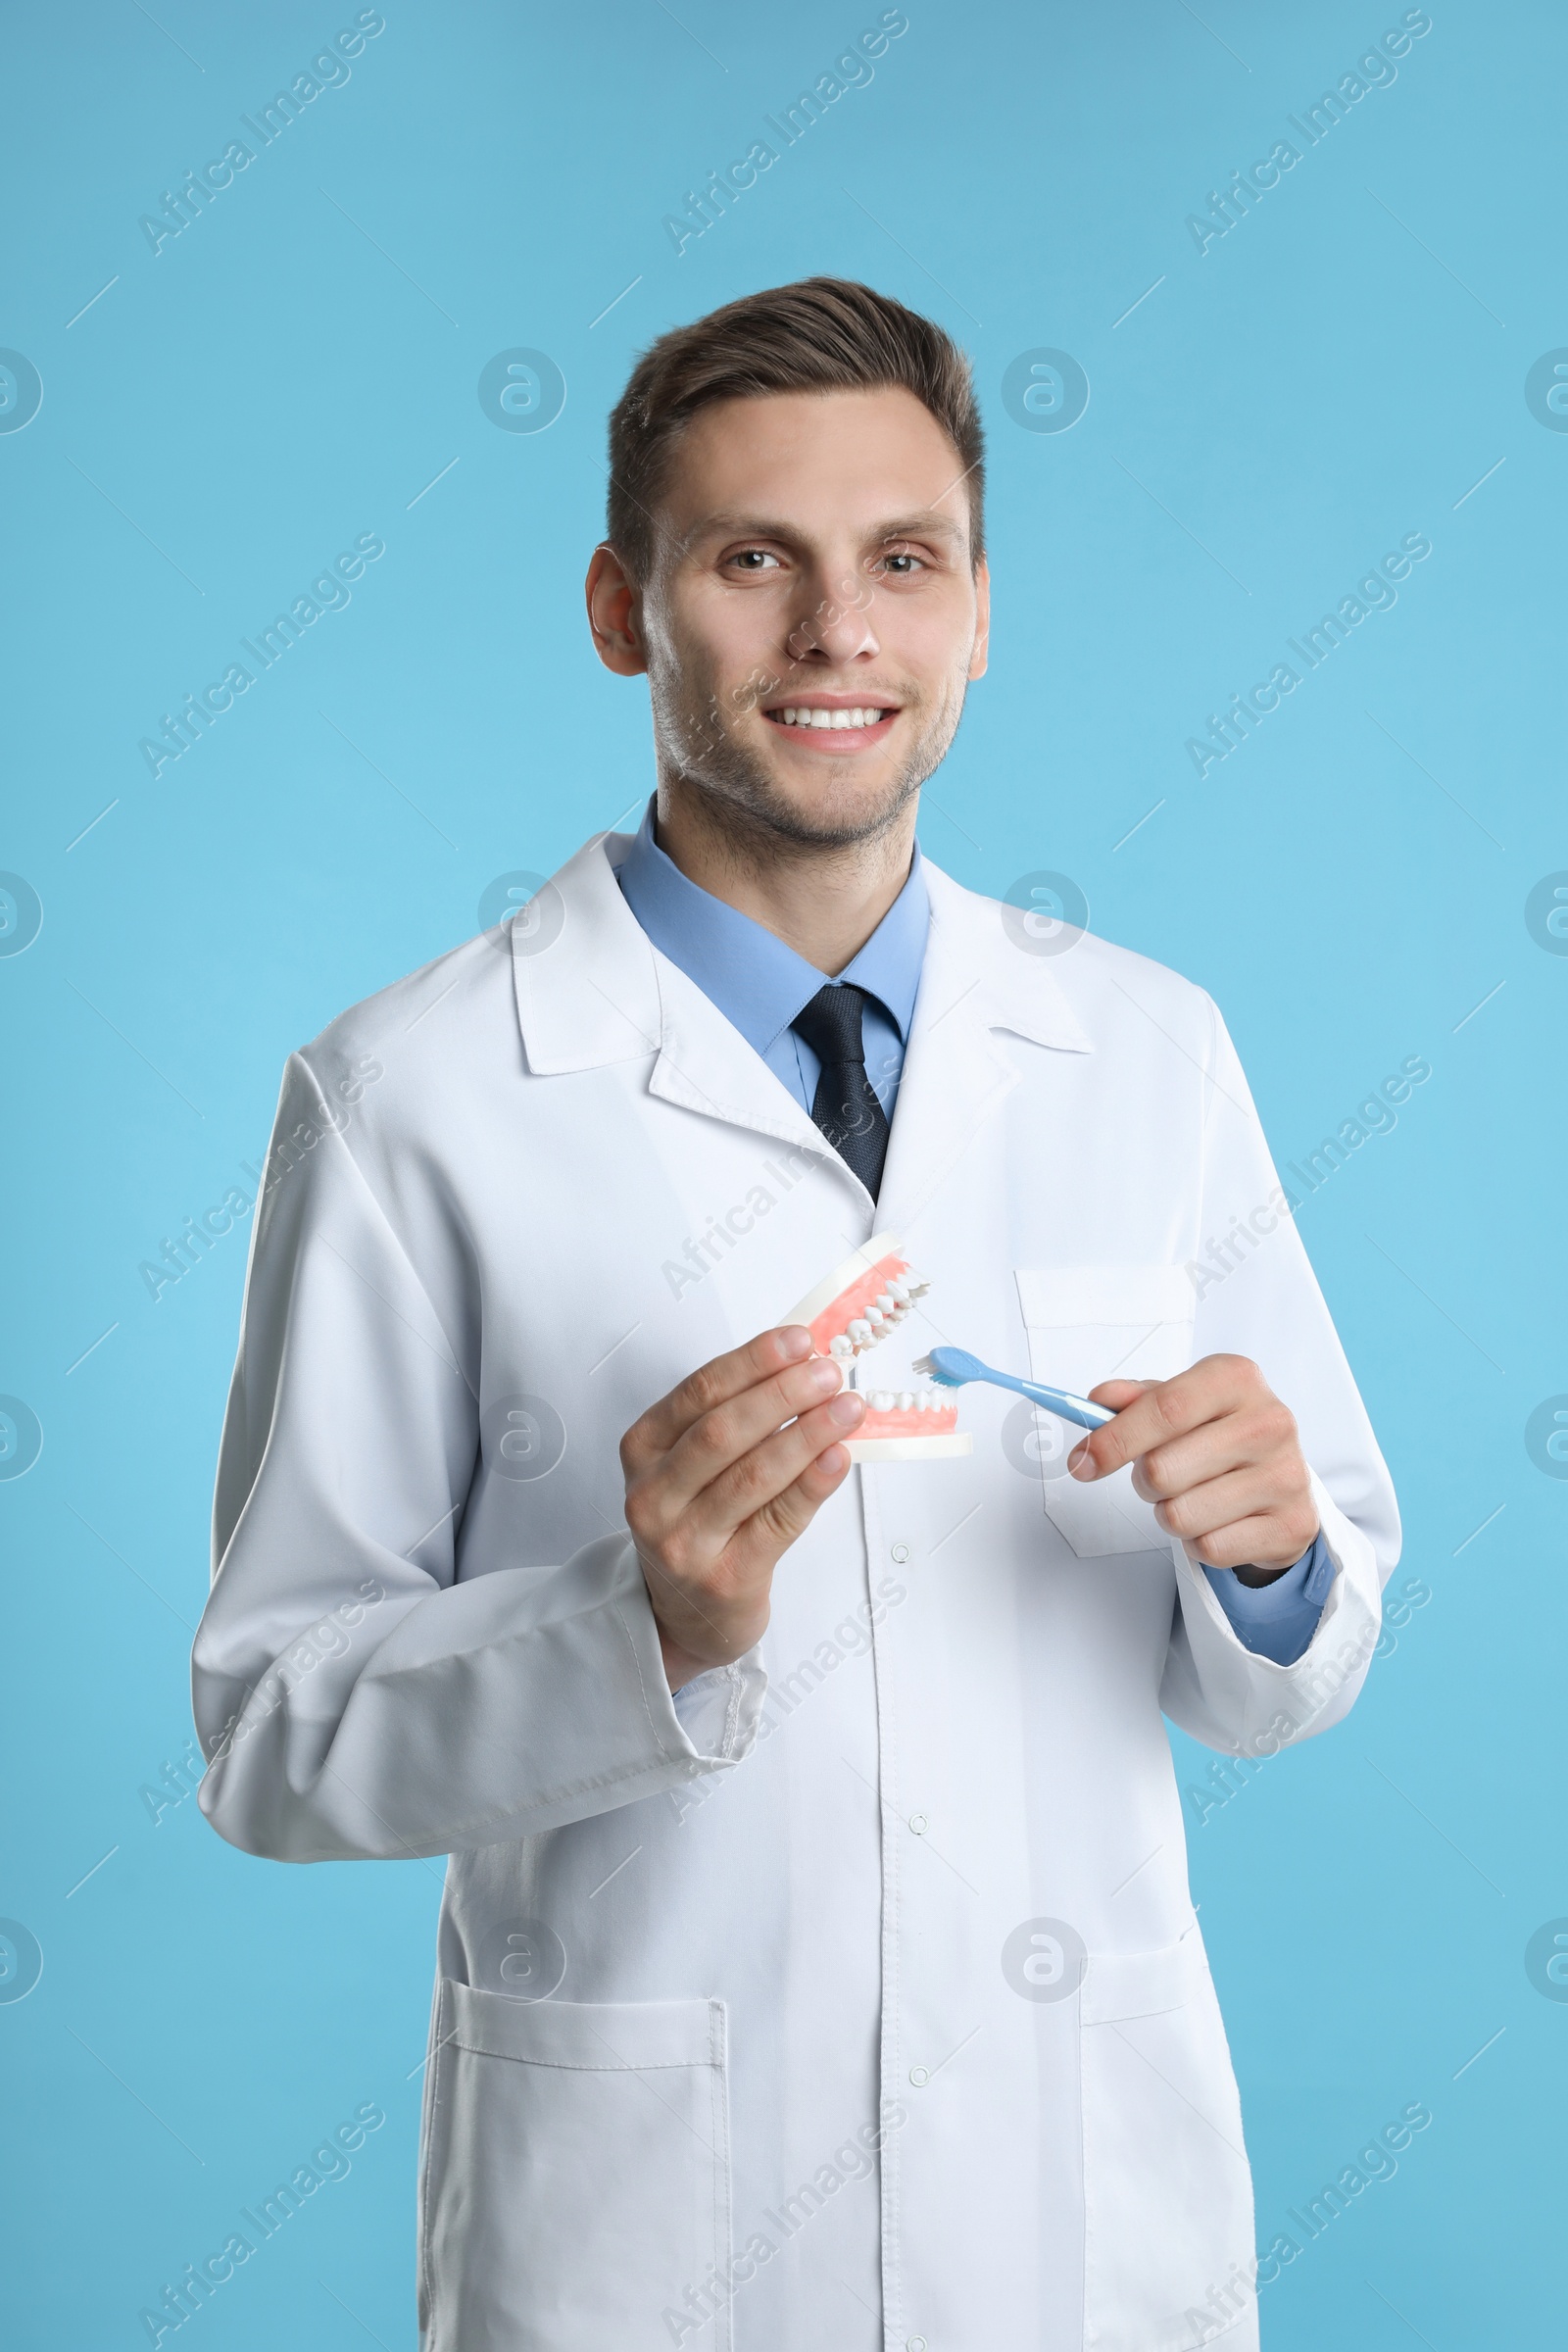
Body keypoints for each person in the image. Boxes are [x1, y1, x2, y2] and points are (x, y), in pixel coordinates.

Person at [192, 277, 1397, 2352]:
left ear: (977, 613)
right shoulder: (413, 1097)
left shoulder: (1141, 1051)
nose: (838, 632)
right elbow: (273, 1739)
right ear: (619, 607)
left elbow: (1290, 1657)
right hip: (640, 2240)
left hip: (1071, 2215)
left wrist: (1276, 1562)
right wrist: (628, 1629)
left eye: (900, 562)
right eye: (753, 560)